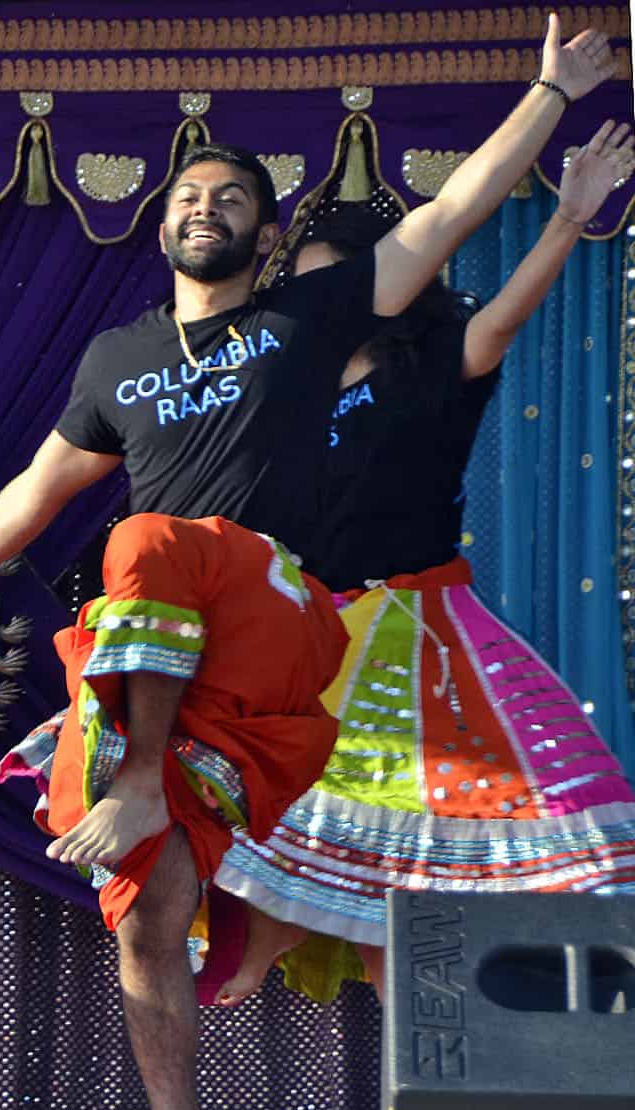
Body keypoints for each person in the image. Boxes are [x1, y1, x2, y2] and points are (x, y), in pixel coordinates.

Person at [0, 18, 615, 1110]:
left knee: (147, 538)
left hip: (273, 603)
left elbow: (447, 220)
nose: (206, 205)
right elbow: (36, 484)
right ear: (163, 223)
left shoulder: (304, 321)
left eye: (232, 196)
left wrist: (545, 96)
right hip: (179, 658)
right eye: (190, 194)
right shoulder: (117, 359)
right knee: (147, 909)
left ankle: (137, 783)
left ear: (266, 237)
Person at [210, 119, 635, 1007]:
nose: (329, 302)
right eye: (311, 285)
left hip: (420, 636)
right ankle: (259, 958)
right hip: (304, 637)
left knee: (419, 898)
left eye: (347, 282)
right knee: (292, 823)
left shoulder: (437, 364)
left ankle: (446, 1099)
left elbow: (510, 311)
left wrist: (567, 219)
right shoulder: (267, 385)